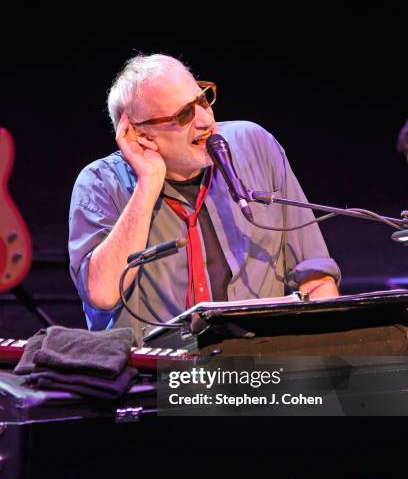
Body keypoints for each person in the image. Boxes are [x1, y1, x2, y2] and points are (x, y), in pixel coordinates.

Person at [69, 53, 340, 343]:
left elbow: (315, 273)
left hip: (258, 366)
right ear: (141, 134)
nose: (205, 120)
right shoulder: (101, 183)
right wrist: (148, 182)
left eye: (203, 100)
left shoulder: (255, 146)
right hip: (159, 378)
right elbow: (103, 294)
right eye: (183, 115)